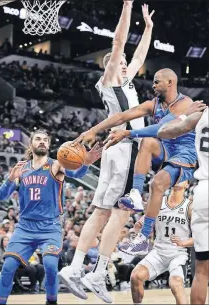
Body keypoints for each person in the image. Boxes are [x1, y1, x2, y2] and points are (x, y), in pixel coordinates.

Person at [59, 1, 154, 303]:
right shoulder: (111, 78)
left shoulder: (126, 82)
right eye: (119, 61)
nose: (125, 62)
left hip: (114, 149)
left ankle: (75, 268)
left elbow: (138, 54)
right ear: (109, 65)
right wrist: (127, 7)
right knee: (120, 212)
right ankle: (98, 274)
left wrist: (149, 28)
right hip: (124, 148)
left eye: (126, 62)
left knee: (101, 212)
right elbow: (119, 43)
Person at [74, 69, 206, 256]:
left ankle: (143, 238)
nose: (152, 85)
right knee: (147, 142)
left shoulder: (187, 103)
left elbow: (163, 128)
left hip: (184, 153)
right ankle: (135, 193)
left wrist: (127, 133)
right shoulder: (154, 104)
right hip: (165, 149)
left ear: (170, 83)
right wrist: (94, 130)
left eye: (156, 82)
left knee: (157, 183)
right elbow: (122, 116)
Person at [0, 129, 102, 305]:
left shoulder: (56, 165)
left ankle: (51, 302)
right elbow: (0, 196)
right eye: (38, 139)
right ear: (31, 143)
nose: (42, 142)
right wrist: (10, 179)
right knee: (8, 267)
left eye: (45, 139)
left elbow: (76, 174)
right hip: (25, 228)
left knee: (51, 266)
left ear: (49, 144)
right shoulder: (21, 169)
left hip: (50, 226)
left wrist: (86, 163)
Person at [158, 106, 209, 304]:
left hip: (203, 192)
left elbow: (163, 131)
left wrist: (184, 114)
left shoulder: (200, 115)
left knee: (202, 270)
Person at [130, 181, 193, 305]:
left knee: (175, 284)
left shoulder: (190, 207)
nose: (178, 179)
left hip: (178, 254)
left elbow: (200, 237)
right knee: (135, 276)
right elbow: (144, 224)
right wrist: (139, 227)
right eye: (176, 177)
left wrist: (183, 242)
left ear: (187, 184)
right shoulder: (158, 202)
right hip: (158, 252)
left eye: (182, 178)